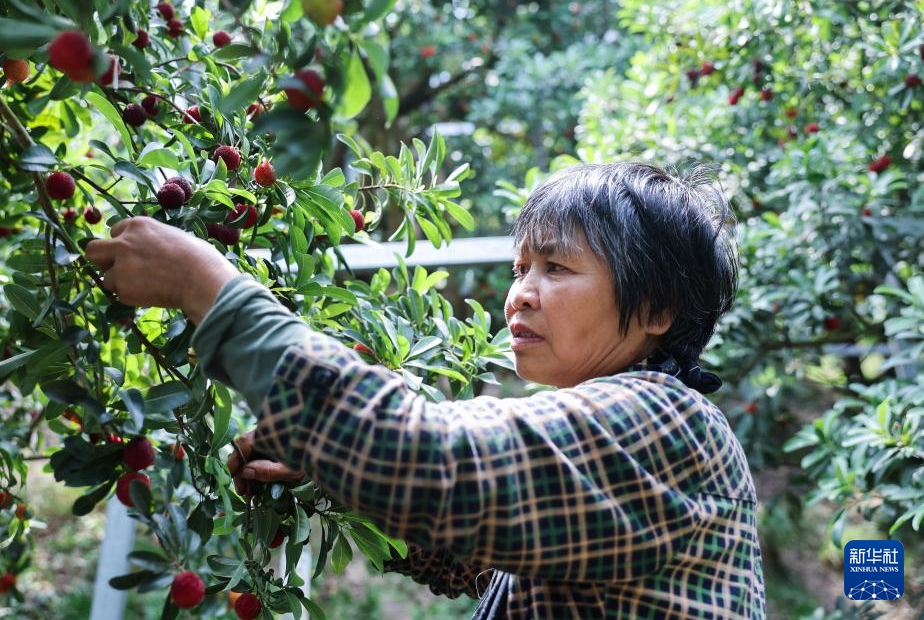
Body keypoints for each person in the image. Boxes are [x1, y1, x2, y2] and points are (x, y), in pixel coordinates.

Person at [85, 162, 765, 618]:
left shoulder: (661, 422)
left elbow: (432, 464)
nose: (519, 295)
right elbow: (480, 550)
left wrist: (206, 286)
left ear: (657, 312)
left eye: (556, 267)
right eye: (519, 267)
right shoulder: (618, 431)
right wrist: (335, 470)